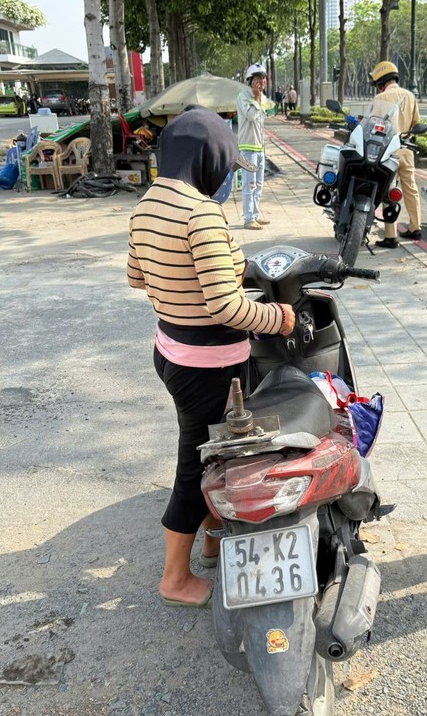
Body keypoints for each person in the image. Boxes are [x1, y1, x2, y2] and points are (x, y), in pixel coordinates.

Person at [127, 106, 296, 607]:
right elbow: (226, 307)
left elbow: (137, 277)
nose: (225, 179)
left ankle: (212, 540)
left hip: (170, 352)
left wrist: (217, 265)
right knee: (195, 465)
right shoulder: (201, 213)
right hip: (210, 364)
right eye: (225, 167)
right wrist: (280, 318)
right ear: (208, 159)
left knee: (211, 452)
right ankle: (174, 578)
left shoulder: (146, 206)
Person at [369, 61, 422, 249]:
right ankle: (416, 228)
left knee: (387, 190)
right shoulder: (410, 96)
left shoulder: (380, 98)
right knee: (410, 188)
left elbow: (373, 124)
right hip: (406, 148)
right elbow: (416, 123)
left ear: (381, 82)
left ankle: (391, 236)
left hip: (387, 150)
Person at [236, 63, 272, 230]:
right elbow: (251, 116)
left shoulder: (263, 98)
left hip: (260, 149)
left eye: (263, 78)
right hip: (247, 148)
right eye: (257, 78)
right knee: (249, 185)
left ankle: (255, 215)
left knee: (258, 185)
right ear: (250, 80)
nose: (261, 82)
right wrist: (257, 98)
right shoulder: (243, 97)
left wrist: (260, 98)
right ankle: (248, 218)